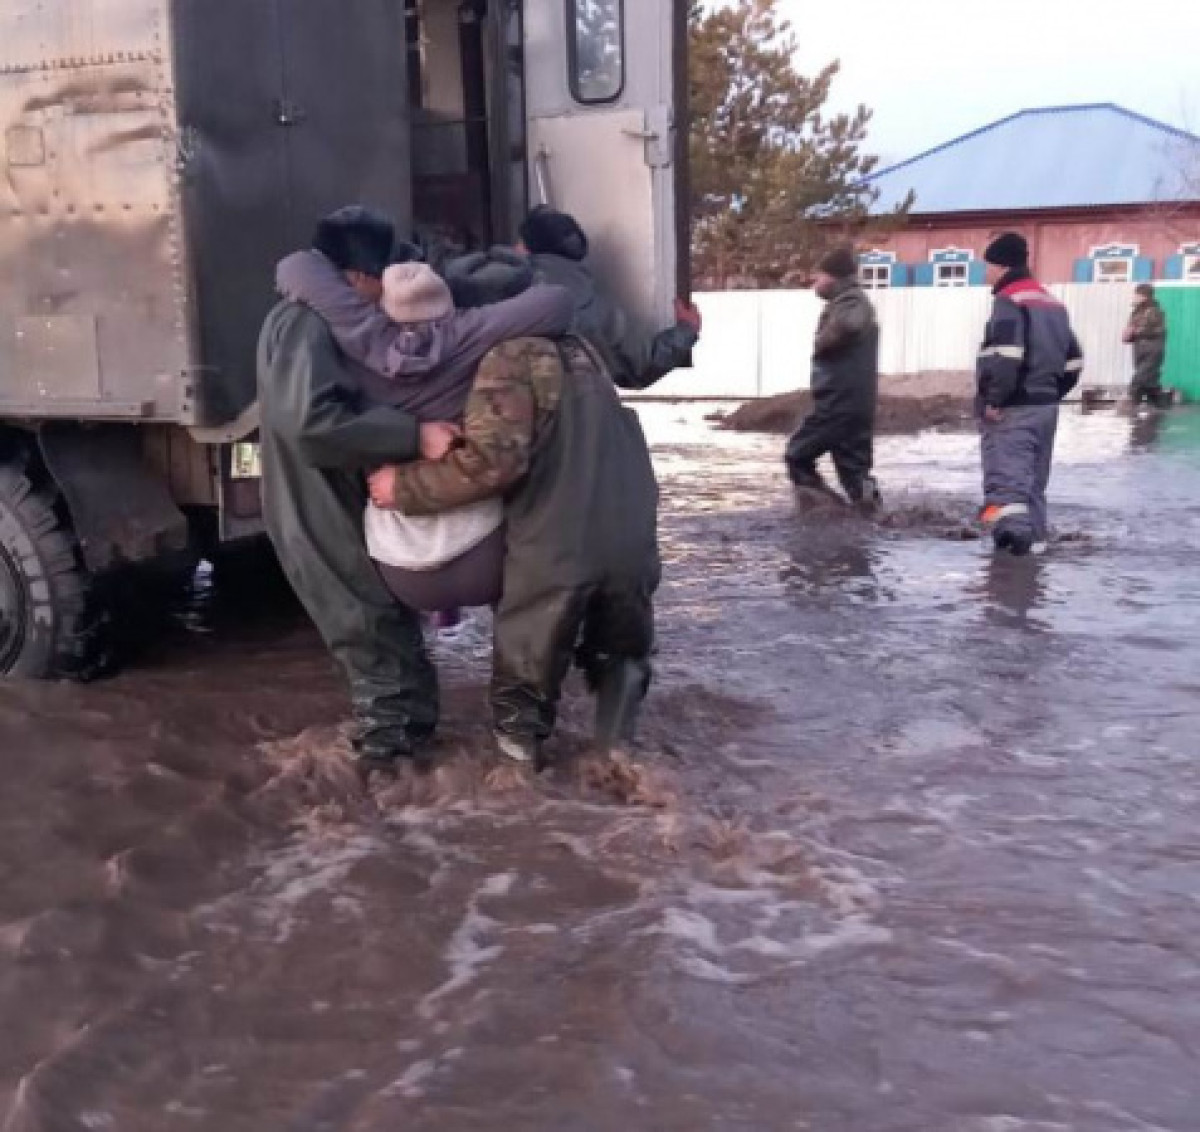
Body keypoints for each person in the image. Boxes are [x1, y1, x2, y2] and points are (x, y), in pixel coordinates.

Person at [368, 258, 661, 769]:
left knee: (523, 685)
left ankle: (520, 805)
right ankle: (623, 770)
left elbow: (493, 463)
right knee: (624, 655)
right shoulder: (583, 348)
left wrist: (403, 485)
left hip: (560, 546)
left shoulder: (508, 359)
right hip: (633, 537)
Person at [274, 232, 575, 620]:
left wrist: (371, 329)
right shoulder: (471, 333)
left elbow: (294, 266)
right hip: (482, 556)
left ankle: (436, 615)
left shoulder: (359, 336)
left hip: (401, 567)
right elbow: (557, 300)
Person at [257, 206, 457, 767]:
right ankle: (387, 789)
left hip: (326, 497)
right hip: (316, 504)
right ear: (361, 276)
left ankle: (409, 775)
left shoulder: (307, 317)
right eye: (383, 277)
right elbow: (311, 422)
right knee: (373, 634)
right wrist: (414, 436)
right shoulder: (306, 324)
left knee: (389, 637)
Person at [976, 232, 1084, 556]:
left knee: (1006, 488)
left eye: (988, 266)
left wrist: (995, 400)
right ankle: (1036, 558)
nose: (985, 274)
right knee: (1035, 488)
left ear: (1001, 266)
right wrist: (1050, 393)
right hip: (1045, 408)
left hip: (1014, 410)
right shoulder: (1052, 303)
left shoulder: (1009, 301)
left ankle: (1010, 568)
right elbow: (1074, 360)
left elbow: (1007, 356)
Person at [517, 205, 701, 390]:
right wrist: (686, 330)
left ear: (525, 248)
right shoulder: (593, 307)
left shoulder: (501, 287)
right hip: (571, 414)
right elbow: (641, 366)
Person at [784, 246, 881, 508]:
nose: (815, 281)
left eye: (820, 275)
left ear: (835, 277)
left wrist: (824, 340)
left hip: (838, 403)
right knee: (856, 474)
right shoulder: (851, 300)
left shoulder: (851, 301)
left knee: (797, 455)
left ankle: (827, 511)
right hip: (854, 403)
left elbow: (850, 325)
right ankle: (873, 520)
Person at [1123, 283, 1168, 407]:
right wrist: (1127, 335)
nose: (1134, 297)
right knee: (1149, 382)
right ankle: (1161, 407)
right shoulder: (1135, 312)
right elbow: (1131, 329)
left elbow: (1158, 331)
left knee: (1139, 378)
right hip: (1139, 349)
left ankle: (1130, 405)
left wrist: (1136, 331)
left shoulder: (1155, 311)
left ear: (1145, 296)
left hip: (1153, 350)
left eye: (1137, 295)